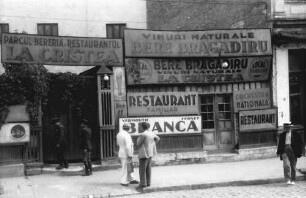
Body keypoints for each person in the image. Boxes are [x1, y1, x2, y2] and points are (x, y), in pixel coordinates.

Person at [136, 122, 160, 190]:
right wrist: (152, 144)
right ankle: (148, 182)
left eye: (139, 126)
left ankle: (143, 184)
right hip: (150, 152)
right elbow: (158, 138)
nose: (139, 128)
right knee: (148, 168)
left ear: (142, 127)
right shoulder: (151, 133)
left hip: (144, 153)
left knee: (142, 169)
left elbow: (138, 144)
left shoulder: (143, 134)